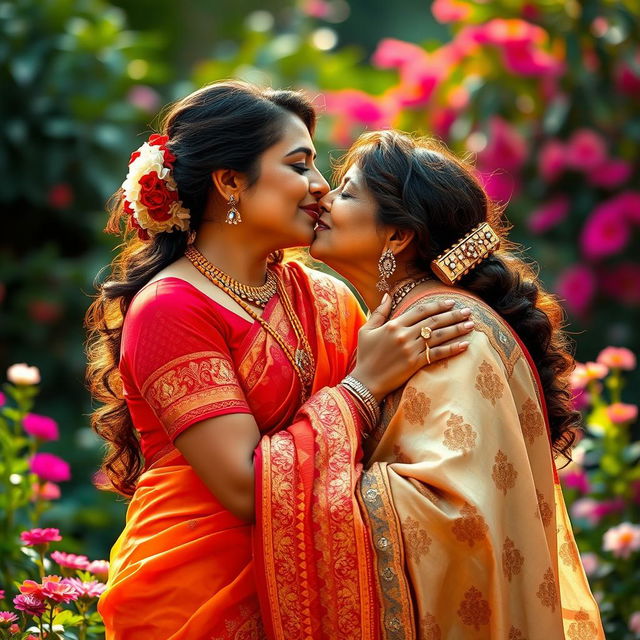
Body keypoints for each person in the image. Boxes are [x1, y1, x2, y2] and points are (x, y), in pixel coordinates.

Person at [85, 82, 474, 639]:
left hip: (320, 591)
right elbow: (245, 488)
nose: (321, 187)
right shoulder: (170, 310)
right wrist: (362, 386)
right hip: (196, 601)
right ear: (230, 182)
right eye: (300, 165)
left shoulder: (326, 297)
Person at [281, 129, 603, 639]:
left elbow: (458, 519)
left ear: (397, 236)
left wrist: (290, 475)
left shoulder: (446, 332)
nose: (322, 198)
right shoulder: (405, 326)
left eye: (347, 191)